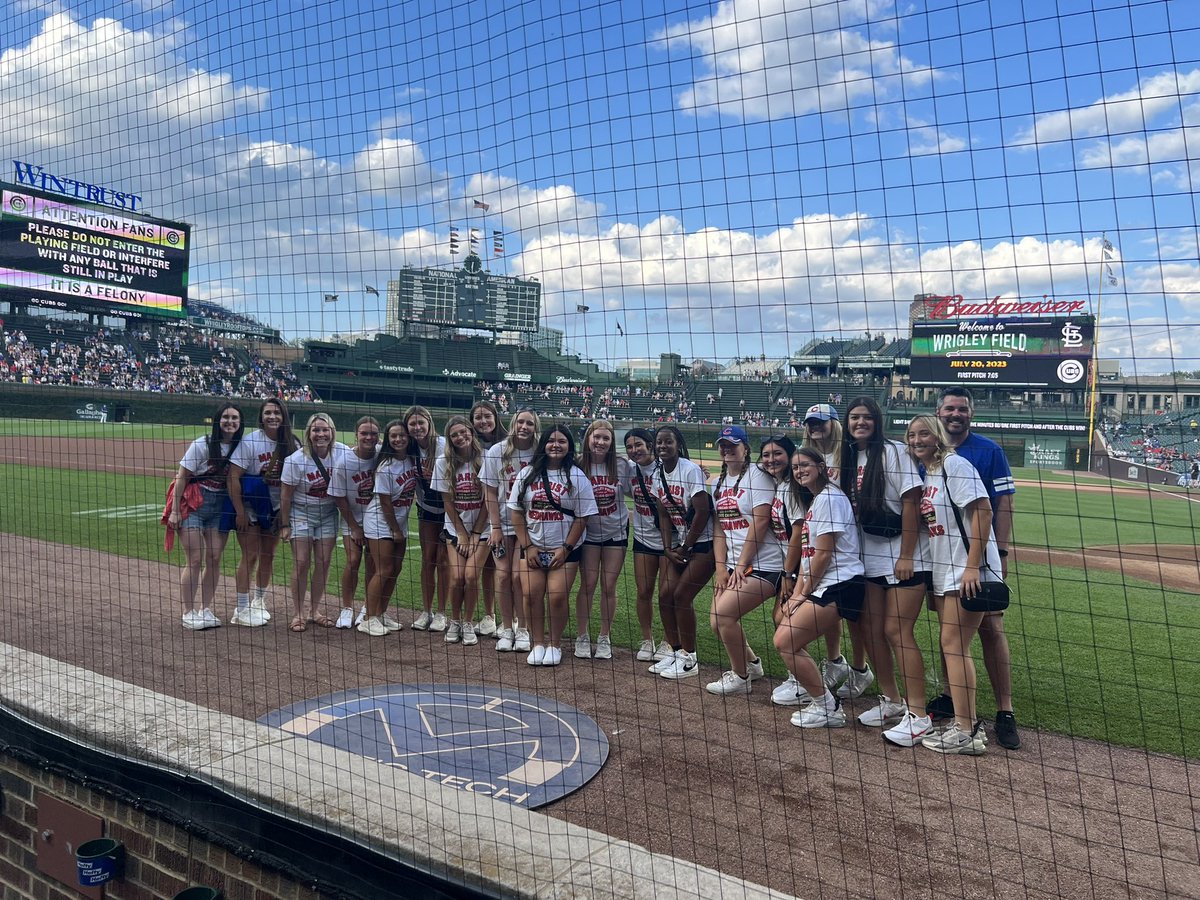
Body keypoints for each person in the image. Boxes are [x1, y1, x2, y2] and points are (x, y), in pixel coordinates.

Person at [930, 386, 1021, 750]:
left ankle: (1004, 711)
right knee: (950, 629)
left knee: (991, 629)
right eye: (950, 408)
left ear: (971, 414)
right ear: (939, 413)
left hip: (979, 561)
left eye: (962, 409)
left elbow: (1003, 503)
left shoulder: (988, 450)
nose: (956, 414)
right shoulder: (931, 454)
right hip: (944, 560)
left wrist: (999, 553)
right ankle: (955, 701)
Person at [907, 415, 997, 755]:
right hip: (947, 571)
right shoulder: (930, 472)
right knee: (953, 646)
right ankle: (967, 725)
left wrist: (972, 566)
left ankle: (966, 729)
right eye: (911, 435)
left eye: (924, 434)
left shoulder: (954, 466)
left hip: (965, 570)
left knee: (954, 645)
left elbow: (984, 511)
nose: (916, 440)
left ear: (939, 436)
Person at [840, 396, 931, 730]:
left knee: (897, 631)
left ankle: (919, 715)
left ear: (877, 421)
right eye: (853, 418)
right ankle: (891, 701)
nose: (860, 423)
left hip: (904, 556)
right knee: (870, 630)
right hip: (869, 559)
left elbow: (911, 502)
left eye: (866, 417)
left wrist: (907, 555)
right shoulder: (848, 456)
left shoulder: (893, 451)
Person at [773, 447, 865, 727]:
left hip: (841, 584)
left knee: (785, 641)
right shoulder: (816, 501)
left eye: (805, 465)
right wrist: (798, 587)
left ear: (821, 466)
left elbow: (824, 554)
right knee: (782, 625)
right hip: (825, 584)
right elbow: (809, 553)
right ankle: (818, 690)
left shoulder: (830, 498)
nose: (799, 471)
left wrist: (801, 594)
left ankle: (827, 707)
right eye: (795, 467)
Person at [508, 424, 597, 666]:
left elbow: (583, 516)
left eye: (562, 441)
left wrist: (566, 548)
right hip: (533, 547)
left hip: (565, 549)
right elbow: (516, 512)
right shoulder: (526, 475)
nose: (556, 445)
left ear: (569, 446)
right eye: (551, 441)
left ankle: (555, 644)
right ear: (543, 444)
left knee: (557, 597)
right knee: (531, 595)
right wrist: (528, 547)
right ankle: (537, 643)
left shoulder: (578, 476)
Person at [706, 427, 785, 694]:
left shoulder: (758, 476)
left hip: (765, 564)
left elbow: (761, 523)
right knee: (717, 623)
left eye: (733, 445)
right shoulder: (720, 481)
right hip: (733, 564)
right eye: (723, 446)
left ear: (745, 448)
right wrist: (720, 567)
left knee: (724, 615)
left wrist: (740, 565)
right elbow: (719, 528)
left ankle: (740, 678)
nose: (727, 450)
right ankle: (751, 664)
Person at [169, 402, 243, 630]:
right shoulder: (202, 444)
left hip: (219, 507)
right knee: (194, 559)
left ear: (240, 423)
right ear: (218, 420)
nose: (230, 422)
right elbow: (182, 476)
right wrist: (174, 510)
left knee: (214, 558)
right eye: (226, 417)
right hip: (194, 503)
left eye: (235, 418)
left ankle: (205, 608)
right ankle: (188, 611)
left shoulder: (241, 447)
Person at [799, 403, 856, 690]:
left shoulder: (848, 452)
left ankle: (857, 669)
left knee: (858, 617)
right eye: (810, 423)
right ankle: (835, 663)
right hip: (823, 530)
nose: (814, 428)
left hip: (850, 537)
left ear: (835, 423)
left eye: (820, 422)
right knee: (832, 609)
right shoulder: (808, 455)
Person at [650, 426, 715, 679]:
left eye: (668, 442)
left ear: (678, 445)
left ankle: (690, 658)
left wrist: (686, 546)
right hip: (681, 545)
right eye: (659, 442)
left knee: (681, 596)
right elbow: (664, 515)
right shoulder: (658, 475)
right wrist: (667, 549)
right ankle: (676, 652)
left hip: (704, 544)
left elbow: (702, 512)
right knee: (665, 596)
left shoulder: (689, 470)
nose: (663, 446)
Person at [228, 398, 299, 626]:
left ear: (284, 416)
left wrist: (286, 514)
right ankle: (241, 608)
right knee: (250, 555)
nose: (272, 417)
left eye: (277, 412)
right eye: (268, 412)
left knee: (268, 554)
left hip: (276, 508)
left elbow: (296, 481)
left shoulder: (292, 443)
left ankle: (259, 600)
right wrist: (239, 511)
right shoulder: (250, 441)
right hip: (250, 507)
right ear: (261, 416)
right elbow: (233, 476)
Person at [482, 408, 541, 652]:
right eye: (520, 422)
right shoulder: (498, 451)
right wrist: (494, 527)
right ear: (512, 424)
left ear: (535, 427)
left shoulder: (539, 451)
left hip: (530, 526)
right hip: (503, 525)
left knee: (520, 577)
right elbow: (490, 490)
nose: (524, 426)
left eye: (529, 423)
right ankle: (507, 628)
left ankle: (524, 629)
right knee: (504, 576)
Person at [278, 413, 340, 632]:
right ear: (308, 433)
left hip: (329, 513)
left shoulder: (341, 452)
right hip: (301, 512)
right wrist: (284, 524)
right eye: (316, 430)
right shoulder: (295, 459)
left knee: (323, 561)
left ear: (332, 431)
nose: (320, 434)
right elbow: (285, 495)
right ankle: (298, 613)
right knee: (302, 561)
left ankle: (315, 610)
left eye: (325, 429)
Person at [574, 420, 630, 660]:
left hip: (615, 531)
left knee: (609, 586)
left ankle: (604, 637)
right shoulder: (577, 464)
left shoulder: (621, 465)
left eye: (606, 438)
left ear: (611, 442)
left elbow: (646, 478)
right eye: (597, 437)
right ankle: (582, 636)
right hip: (587, 534)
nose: (600, 442)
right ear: (588, 438)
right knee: (587, 584)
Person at [432, 415, 490, 646]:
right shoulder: (443, 462)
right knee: (456, 578)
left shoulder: (486, 458)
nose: (459, 437)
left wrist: (475, 533)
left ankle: (468, 622)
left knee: (471, 575)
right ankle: (454, 620)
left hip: (483, 529)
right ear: (449, 439)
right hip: (455, 529)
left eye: (463, 432)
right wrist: (462, 534)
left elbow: (489, 501)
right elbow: (447, 503)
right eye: (454, 434)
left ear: (471, 432)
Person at [358, 419, 417, 636]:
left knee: (395, 570)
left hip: (397, 523)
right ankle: (368, 618)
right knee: (383, 570)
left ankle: (381, 613)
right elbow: (384, 502)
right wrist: (395, 530)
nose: (399, 439)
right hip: (380, 522)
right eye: (394, 436)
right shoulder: (386, 466)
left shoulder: (412, 460)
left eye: (402, 435)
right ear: (388, 440)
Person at [329, 417, 381, 629]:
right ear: (355, 435)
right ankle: (347, 607)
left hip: (376, 519)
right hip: (353, 518)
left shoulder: (381, 455)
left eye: (373, 434)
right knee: (352, 561)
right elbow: (339, 497)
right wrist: (354, 527)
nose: (369, 437)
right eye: (364, 433)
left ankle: (368, 607)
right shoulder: (344, 461)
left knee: (373, 564)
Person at [405, 406, 449, 632]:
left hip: (449, 509)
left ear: (429, 423)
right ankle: (427, 611)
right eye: (412, 424)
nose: (417, 427)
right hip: (426, 508)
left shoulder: (443, 445)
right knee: (427, 559)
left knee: (444, 560)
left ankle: (442, 613)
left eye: (421, 422)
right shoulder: (408, 447)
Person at [625, 428, 667, 662]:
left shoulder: (666, 468)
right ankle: (647, 639)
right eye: (630, 446)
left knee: (666, 594)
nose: (634, 450)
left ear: (650, 444)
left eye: (638, 445)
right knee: (643, 592)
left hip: (671, 541)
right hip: (643, 539)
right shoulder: (630, 470)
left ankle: (668, 641)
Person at [470, 399, 507, 635]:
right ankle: (489, 615)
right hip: (478, 516)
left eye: (487, 416)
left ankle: (510, 619)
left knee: (506, 571)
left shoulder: (507, 445)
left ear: (496, 417)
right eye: (478, 417)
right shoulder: (469, 446)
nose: (483, 421)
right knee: (487, 568)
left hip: (505, 513)